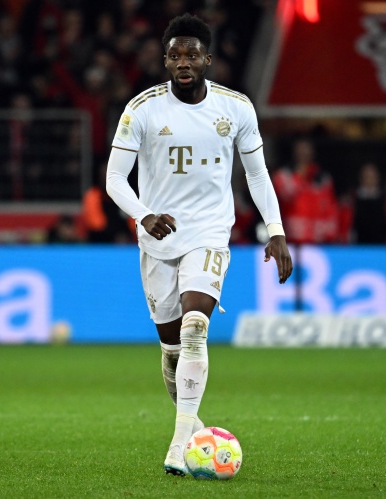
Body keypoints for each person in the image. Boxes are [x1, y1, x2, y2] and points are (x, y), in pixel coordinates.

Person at [105, 13, 292, 476]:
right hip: (158, 239)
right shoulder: (142, 110)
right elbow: (114, 179)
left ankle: (177, 445)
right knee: (172, 350)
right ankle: (192, 426)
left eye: (192, 54)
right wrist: (144, 214)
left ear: (208, 59)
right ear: (165, 60)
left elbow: (257, 175)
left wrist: (276, 229)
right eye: (175, 55)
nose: (183, 62)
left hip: (209, 233)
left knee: (194, 329)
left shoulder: (236, 108)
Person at [272, 138, 339, 244]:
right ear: (294, 152)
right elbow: (284, 196)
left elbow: (330, 208)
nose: (303, 153)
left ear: (312, 152)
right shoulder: (283, 175)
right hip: (291, 238)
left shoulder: (323, 178)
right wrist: (300, 177)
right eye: (300, 150)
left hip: (319, 239)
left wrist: (331, 234)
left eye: (306, 150)